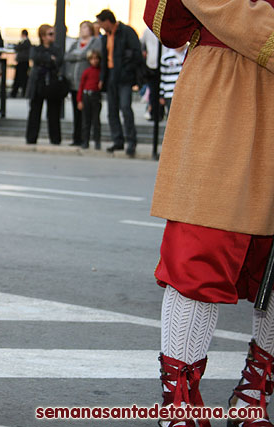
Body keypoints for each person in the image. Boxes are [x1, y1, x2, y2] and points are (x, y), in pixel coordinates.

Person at [144, 1, 274, 426]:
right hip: (227, 94)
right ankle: (179, 400)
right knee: (201, 252)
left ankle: (254, 388)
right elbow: (175, 22)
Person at [96, 9, 142, 157]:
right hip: (111, 77)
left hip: (124, 78)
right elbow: (104, 59)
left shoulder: (126, 32)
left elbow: (136, 53)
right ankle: (118, 140)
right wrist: (103, 78)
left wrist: (127, 70)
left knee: (125, 108)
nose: (100, 26)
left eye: (101, 23)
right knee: (112, 111)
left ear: (108, 21)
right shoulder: (105, 37)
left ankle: (131, 141)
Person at [25, 24, 64, 145]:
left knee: (54, 112)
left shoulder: (56, 48)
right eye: (50, 34)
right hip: (38, 82)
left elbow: (59, 60)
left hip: (52, 83)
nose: (52, 36)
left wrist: (48, 59)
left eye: (53, 34)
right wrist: (49, 58)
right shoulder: (36, 48)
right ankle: (31, 138)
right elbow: (35, 58)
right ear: (43, 36)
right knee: (35, 111)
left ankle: (55, 138)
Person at [65, 21, 101, 147]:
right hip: (74, 83)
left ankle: (88, 139)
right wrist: (81, 56)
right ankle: (76, 137)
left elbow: (93, 55)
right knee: (76, 111)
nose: (83, 30)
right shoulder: (75, 43)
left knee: (88, 115)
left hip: (88, 84)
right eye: (81, 27)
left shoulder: (95, 42)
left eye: (85, 27)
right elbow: (67, 56)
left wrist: (80, 55)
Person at [77, 50, 102, 150]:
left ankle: (97, 141)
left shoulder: (100, 72)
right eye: (92, 59)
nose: (94, 61)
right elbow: (81, 86)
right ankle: (85, 141)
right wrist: (79, 100)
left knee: (96, 120)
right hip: (86, 95)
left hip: (95, 96)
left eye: (96, 59)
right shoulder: (87, 72)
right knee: (86, 120)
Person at [158, 44, 186, 118]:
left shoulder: (189, 55)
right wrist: (161, 95)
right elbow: (163, 76)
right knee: (172, 116)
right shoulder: (166, 57)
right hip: (170, 92)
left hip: (184, 92)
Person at [10, 29, 31, 98]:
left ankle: (21, 93)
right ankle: (15, 92)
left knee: (22, 78)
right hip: (21, 62)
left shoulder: (26, 42)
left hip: (23, 62)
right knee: (19, 78)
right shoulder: (24, 42)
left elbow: (18, 47)